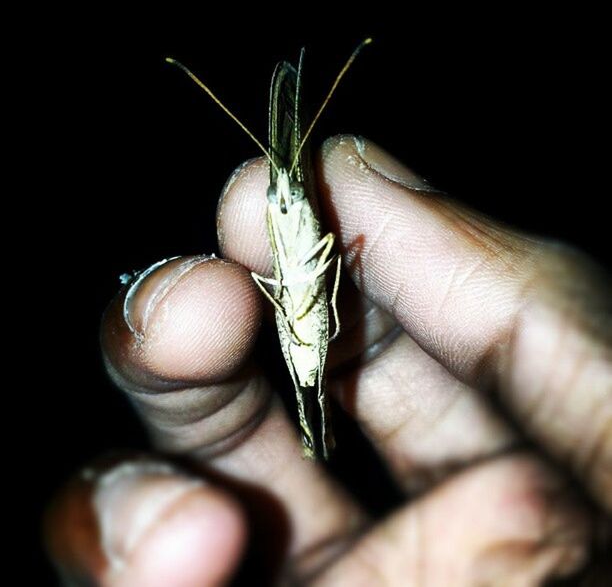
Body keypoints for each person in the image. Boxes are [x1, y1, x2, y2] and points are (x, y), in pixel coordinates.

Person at [45, 137, 611, 585]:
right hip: (300, 329)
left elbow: (317, 261)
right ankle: (315, 430)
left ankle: (317, 431)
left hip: (311, 321)